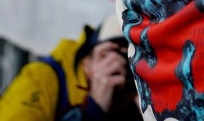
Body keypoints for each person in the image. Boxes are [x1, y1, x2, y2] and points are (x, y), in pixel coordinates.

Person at [0, 15, 139, 120]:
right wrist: (93, 110)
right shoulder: (42, 79)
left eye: (137, 52)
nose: (126, 63)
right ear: (86, 62)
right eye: (115, 53)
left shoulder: (140, 97)